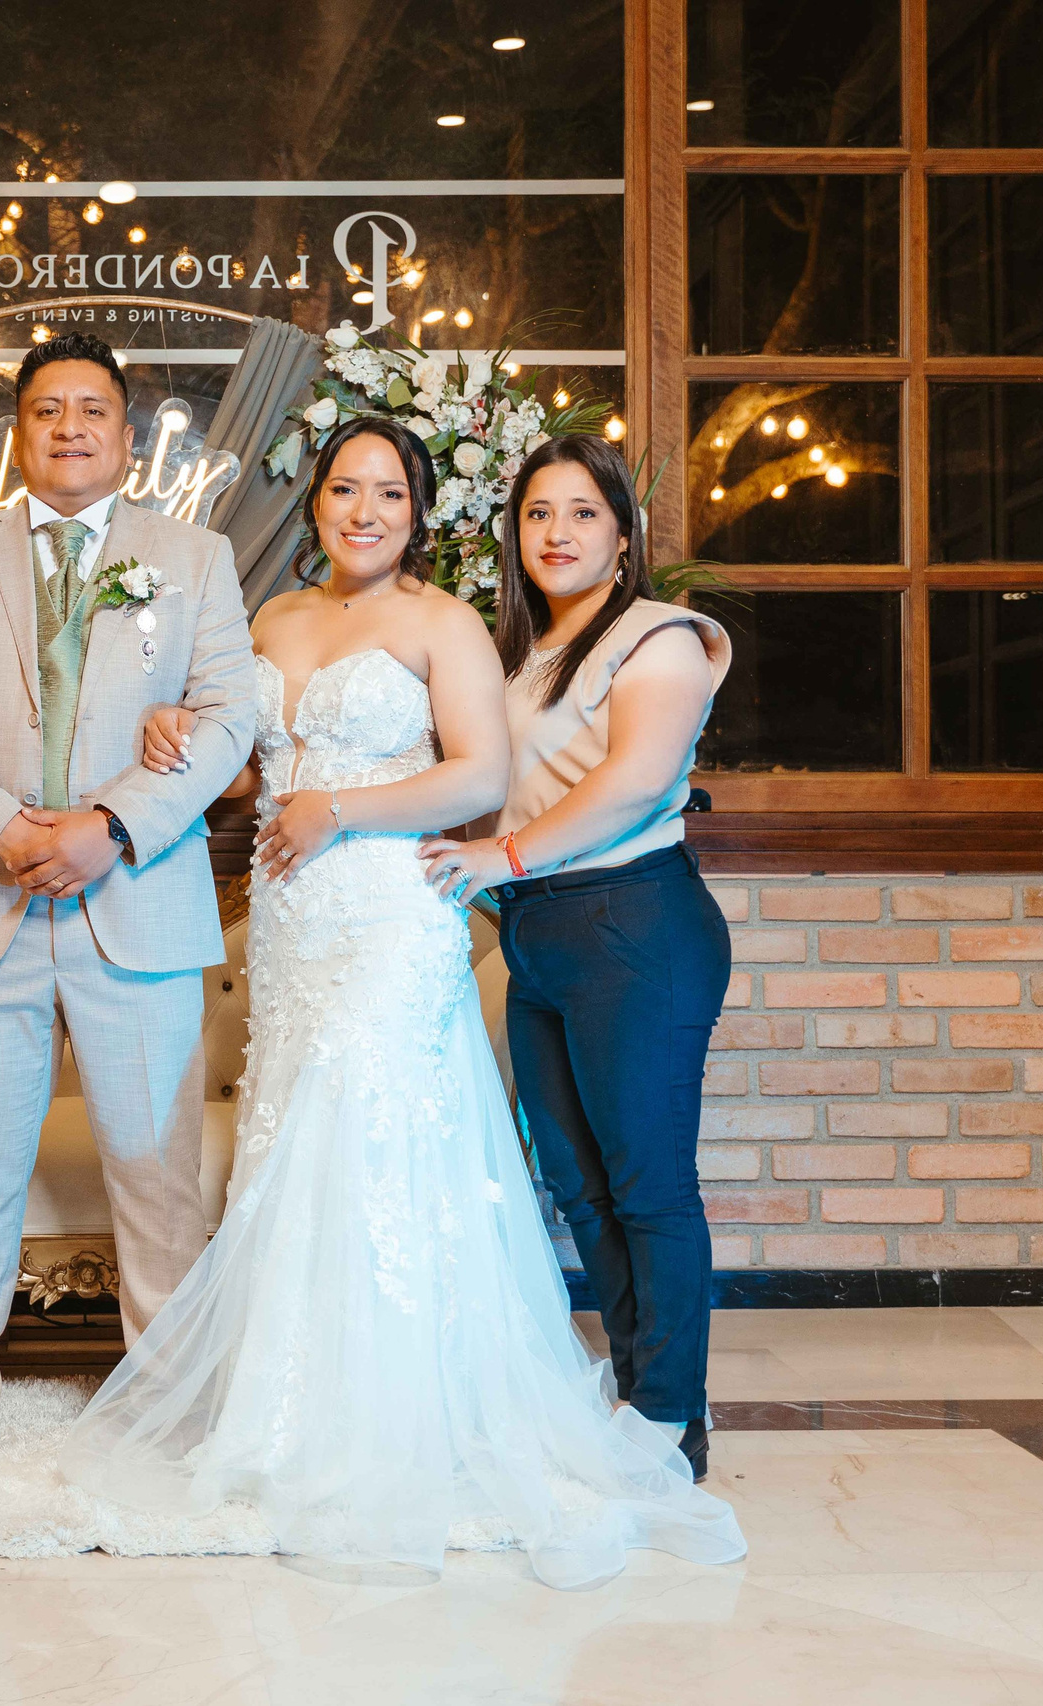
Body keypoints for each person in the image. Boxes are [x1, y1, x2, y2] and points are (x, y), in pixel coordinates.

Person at [55, 416, 746, 1581]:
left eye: (388, 490)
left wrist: (363, 817)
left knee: (548, 1163)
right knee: (505, 1167)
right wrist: (173, 725)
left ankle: (659, 1411)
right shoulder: (293, 621)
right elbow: (248, 765)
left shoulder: (482, 625)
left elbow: (487, 777)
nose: (362, 508)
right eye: (342, 488)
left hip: (436, 909)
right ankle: (304, 1401)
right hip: (308, 924)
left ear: (421, 512)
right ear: (316, 501)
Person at [0, 332, 258, 1479]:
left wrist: (107, 825)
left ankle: (170, 1406)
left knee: (153, 1160)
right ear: (17, 433)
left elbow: (229, 713)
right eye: (46, 410)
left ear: (127, 437)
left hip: (136, 895)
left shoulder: (193, 555)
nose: (70, 426)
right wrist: (6, 827)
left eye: (92, 409)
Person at [416, 432, 735, 1484]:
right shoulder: (519, 653)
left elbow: (638, 781)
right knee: (576, 1184)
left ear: (623, 534)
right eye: (538, 513)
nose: (557, 532)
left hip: (632, 924)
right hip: (540, 931)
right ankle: (641, 1387)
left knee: (647, 1183)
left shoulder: (659, 638)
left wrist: (497, 854)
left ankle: (669, 1417)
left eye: (582, 513)